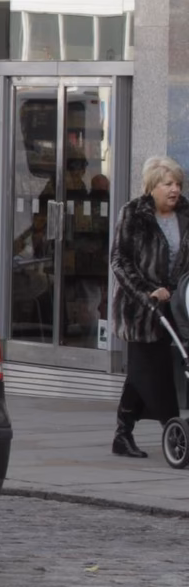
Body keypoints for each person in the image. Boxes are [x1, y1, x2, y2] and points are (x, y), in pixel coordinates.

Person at [108, 155, 189, 457]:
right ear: (153, 186)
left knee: (139, 374)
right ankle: (173, 427)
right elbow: (120, 260)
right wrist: (147, 292)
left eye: (178, 184)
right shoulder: (134, 214)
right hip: (142, 309)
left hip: (178, 305)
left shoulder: (185, 215)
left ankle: (122, 434)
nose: (175, 189)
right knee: (153, 370)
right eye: (168, 183)